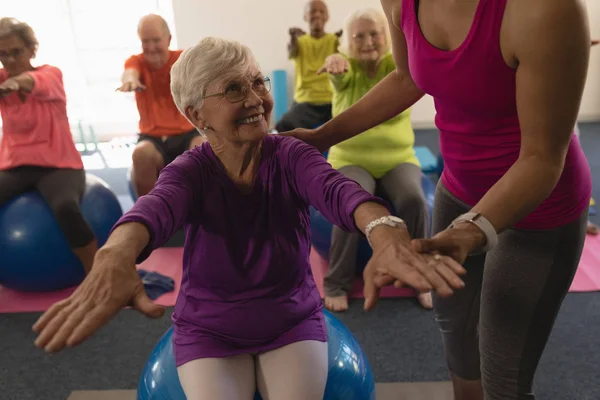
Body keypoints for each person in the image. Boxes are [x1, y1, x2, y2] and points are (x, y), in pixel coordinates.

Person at [31, 37, 466, 399]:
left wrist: (382, 227)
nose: (257, 98)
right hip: (209, 328)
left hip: (290, 319)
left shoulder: (290, 153)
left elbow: (337, 190)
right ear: (197, 115)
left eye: (258, 82)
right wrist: (114, 254)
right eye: (234, 89)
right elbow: (155, 208)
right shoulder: (191, 170)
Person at [282, 0, 592, 398]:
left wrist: (470, 231)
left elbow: (542, 160)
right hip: (459, 190)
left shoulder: (545, 9)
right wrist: (322, 136)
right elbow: (408, 78)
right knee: (458, 338)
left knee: (504, 376)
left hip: (537, 208)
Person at [317, 8, 432, 311]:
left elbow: (417, 67)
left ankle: (418, 272)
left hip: (398, 158)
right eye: (359, 36)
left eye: (374, 33)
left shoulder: (399, 67)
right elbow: (338, 75)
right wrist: (333, 63)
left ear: (387, 35)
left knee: (414, 200)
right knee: (351, 204)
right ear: (348, 42)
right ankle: (336, 282)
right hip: (351, 157)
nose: (368, 41)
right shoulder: (347, 69)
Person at [0, 17, 97, 274]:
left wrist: (15, 83)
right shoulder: (1, 77)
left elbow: (33, 82)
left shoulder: (50, 74)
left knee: (66, 207)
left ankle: (97, 274)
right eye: (3, 55)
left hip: (59, 165)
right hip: (14, 167)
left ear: (31, 49)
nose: (9, 61)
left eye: (16, 52)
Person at [116, 14, 206, 197]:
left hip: (187, 134)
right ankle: (151, 218)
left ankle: (201, 215)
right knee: (140, 154)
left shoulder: (182, 60)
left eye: (156, 40)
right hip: (152, 137)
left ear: (168, 39)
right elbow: (130, 73)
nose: (150, 47)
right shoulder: (136, 61)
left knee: (203, 149)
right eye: (145, 41)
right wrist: (130, 81)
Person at [274, 0, 341, 132]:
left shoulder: (334, 40)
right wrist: (293, 37)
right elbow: (292, 51)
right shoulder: (299, 41)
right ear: (305, 16)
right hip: (305, 102)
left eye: (321, 12)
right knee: (283, 125)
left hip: (332, 101)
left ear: (327, 17)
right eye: (312, 11)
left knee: (352, 125)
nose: (317, 15)